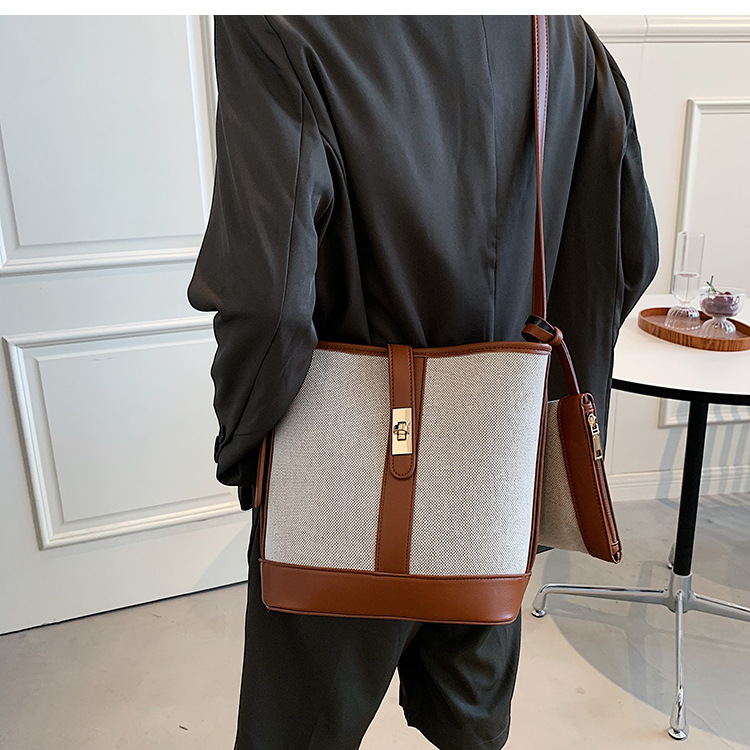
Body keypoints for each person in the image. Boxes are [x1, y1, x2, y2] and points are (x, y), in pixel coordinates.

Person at [187, 15, 659, 750]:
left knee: (299, 731)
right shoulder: (560, 34)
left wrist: (247, 447)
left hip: (339, 482)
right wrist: (532, 402)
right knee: (471, 729)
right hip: (492, 480)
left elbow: (266, 299)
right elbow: (626, 254)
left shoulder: (278, 22)